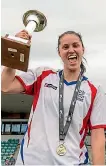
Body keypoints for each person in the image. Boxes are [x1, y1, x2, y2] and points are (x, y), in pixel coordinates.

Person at [1, 30, 106, 165]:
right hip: (31, 161)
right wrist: (15, 51)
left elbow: (97, 136)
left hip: (72, 162)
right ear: (59, 52)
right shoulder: (42, 75)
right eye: (65, 47)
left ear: (83, 49)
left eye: (75, 45)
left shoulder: (95, 90)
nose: (71, 50)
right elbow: (5, 86)